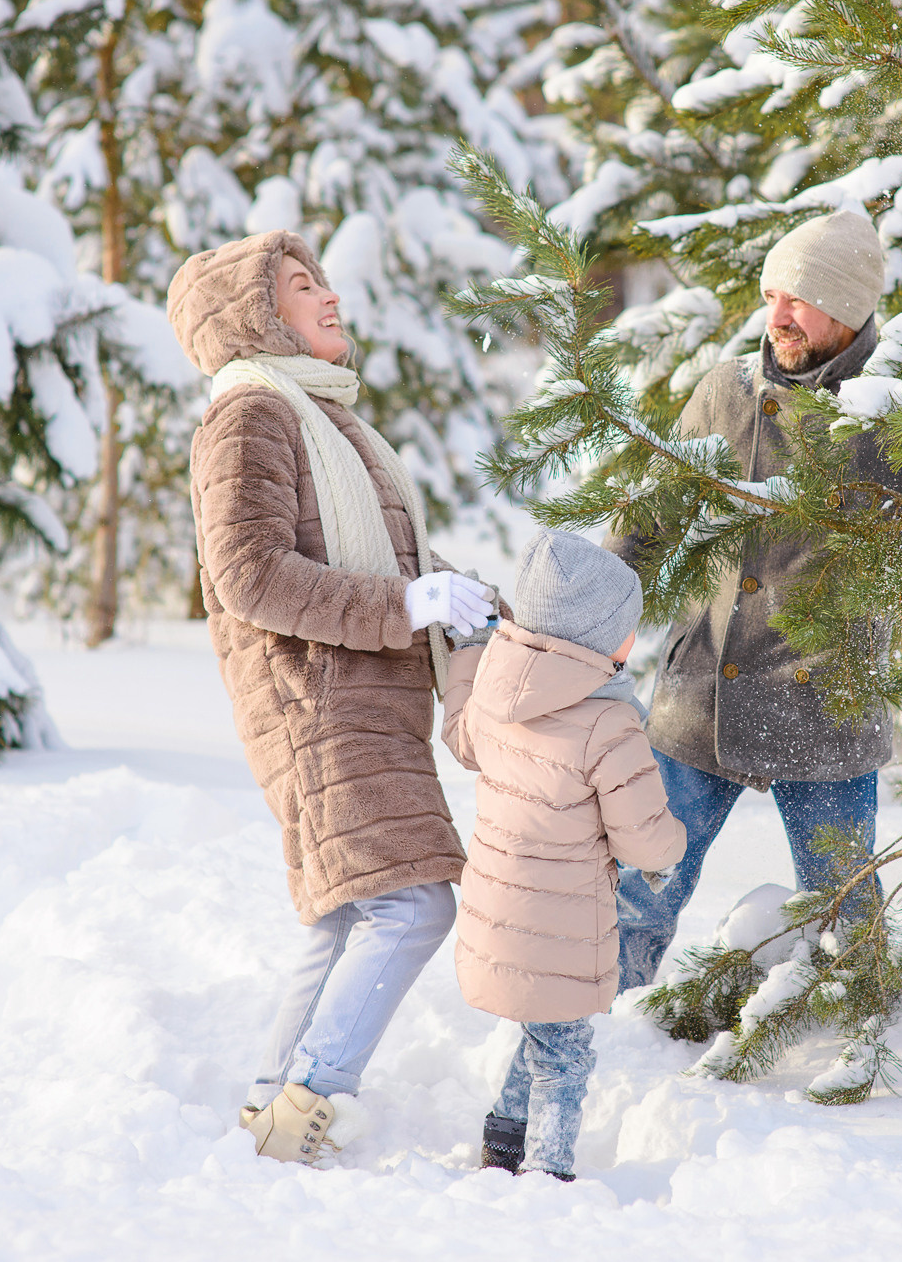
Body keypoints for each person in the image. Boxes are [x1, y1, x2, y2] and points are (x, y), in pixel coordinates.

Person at [171, 229, 497, 1164]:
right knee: (414, 907)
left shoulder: (326, 416)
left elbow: (398, 565)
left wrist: (491, 606)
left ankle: (271, 1106)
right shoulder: (251, 416)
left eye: (323, 278)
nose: (331, 296)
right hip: (318, 707)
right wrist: (410, 602)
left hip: (368, 700)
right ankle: (314, 1092)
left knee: (349, 910)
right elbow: (251, 576)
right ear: (256, 315)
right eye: (301, 283)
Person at [609, 210, 902, 990]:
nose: (777, 315)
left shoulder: (893, 409)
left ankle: (856, 1040)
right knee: (637, 893)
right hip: (702, 697)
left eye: (800, 298)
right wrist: (604, 611)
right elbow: (646, 517)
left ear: (848, 311)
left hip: (826, 705)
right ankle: (602, 1023)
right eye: (771, 294)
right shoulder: (725, 390)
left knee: (845, 911)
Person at [440, 531, 686, 1180]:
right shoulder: (609, 719)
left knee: (546, 1029)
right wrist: (669, 850)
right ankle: (547, 1175)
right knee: (566, 1055)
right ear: (600, 638)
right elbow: (641, 832)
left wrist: (468, 652)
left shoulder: (496, 686)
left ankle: (502, 1133)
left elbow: (462, 739)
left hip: (497, 906)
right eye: (626, 628)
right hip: (563, 921)